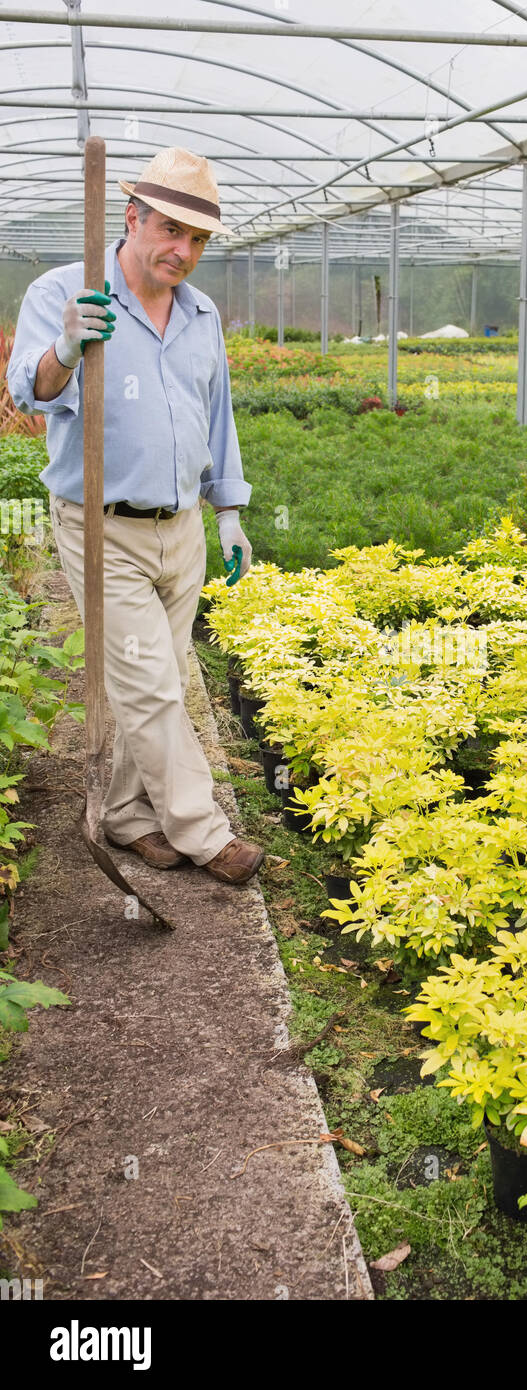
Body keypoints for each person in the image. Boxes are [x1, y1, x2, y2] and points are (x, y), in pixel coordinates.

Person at [6, 146, 265, 886]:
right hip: (101, 525)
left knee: (154, 677)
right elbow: (29, 391)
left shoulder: (202, 312)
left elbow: (216, 414)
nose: (183, 251)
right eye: (171, 231)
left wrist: (229, 512)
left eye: (198, 240)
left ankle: (125, 814)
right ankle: (204, 831)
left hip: (179, 528)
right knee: (152, 682)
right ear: (133, 218)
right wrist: (65, 345)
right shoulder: (65, 289)